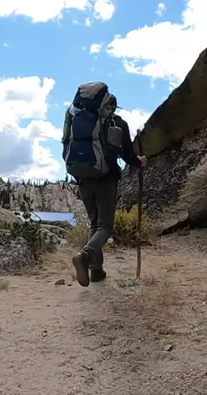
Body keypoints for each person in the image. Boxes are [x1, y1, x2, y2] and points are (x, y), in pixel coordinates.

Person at [64, 86, 146, 287]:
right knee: (105, 227)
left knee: (94, 224)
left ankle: (97, 271)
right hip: (106, 179)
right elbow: (128, 155)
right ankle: (84, 256)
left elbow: (65, 144)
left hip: (82, 178)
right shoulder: (117, 122)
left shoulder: (75, 118)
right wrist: (140, 161)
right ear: (111, 105)